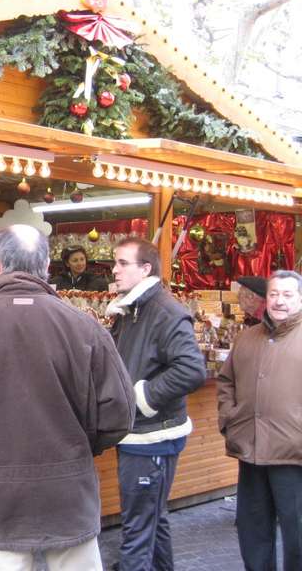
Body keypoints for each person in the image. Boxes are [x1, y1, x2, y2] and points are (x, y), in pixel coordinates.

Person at [0, 224, 135, 571]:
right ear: (47, 265)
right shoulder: (84, 327)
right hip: (68, 493)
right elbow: (119, 415)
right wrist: (80, 448)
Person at [106, 237, 206, 571]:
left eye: (123, 263)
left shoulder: (165, 312)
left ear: (145, 268)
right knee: (152, 520)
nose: (115, 269)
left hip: (153, 437)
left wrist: (142, 397)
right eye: (115, 262)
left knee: (137, 530)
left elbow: (192, 370)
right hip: (138, 434)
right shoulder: (131, 310)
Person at [217, 270, 302, 571]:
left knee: (298, 538)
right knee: (253, 532)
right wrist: (230, 419)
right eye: (274, 294)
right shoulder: (247, 339)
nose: (279, 301)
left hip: (293, 456)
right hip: (251, 451)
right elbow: (226, 381)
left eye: (287, 295)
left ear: (300, 298)